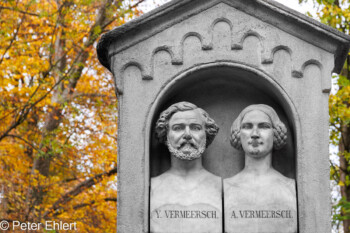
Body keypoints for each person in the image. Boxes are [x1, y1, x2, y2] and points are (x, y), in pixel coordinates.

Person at [150, 101, 222, 233]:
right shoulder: (151, 187)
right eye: (178, 128)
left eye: (195, 128)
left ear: (206, 134)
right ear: (165, 135)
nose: (187, 134)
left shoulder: (222, 187)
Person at [224, 104, 297, 233]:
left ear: (275, 133)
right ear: (239, 134)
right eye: (247, 127)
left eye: (264, 126)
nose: (255, 134)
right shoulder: (225, 187)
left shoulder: (290, 187)